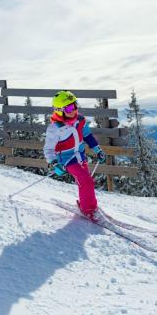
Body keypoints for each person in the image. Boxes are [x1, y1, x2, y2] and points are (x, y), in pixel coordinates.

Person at [43, 90, 107, 219]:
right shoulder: (55, 128)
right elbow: (48, 150)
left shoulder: (80, 120)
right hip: (67, 160)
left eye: (75, 104)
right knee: (87, 181)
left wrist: (97, 149)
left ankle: (85, 203)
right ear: (60, 110)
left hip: (80, 156)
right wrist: (54, 163)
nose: (74, 109)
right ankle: (89, 210)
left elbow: (87, 135)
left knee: (84, 181)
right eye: (70, 107)